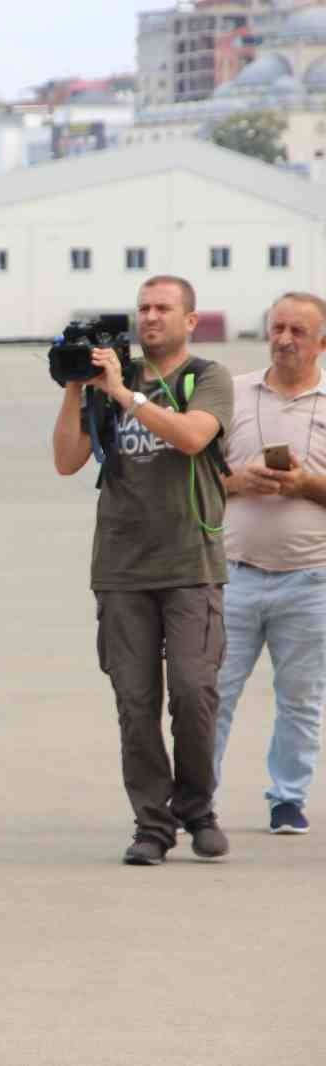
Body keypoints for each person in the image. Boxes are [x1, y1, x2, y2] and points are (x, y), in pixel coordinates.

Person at [51, 275, 234, 866]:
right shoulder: (110, 379)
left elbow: (190, 437)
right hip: (122, 567)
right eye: (143, 308)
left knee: (194, 692)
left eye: (164, 308)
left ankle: (197, 806)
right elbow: (66, 460)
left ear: (190, 320)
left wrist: (127, 396)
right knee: (135, 704)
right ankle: (151, 824)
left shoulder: (206, 378)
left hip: (189, 564)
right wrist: (76, 387)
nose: (151, 317)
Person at [214, 292, 326, 835]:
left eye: (297, 331)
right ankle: (194, 797)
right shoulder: (231, 394)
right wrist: (237, 482)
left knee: (301, 698)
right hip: (233, 573)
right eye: (277, 327)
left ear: (321, 343)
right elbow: (195, 479)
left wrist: (306, 484)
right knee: (211, 694)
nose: (283, 339)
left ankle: (287, 797)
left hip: (311, 579)